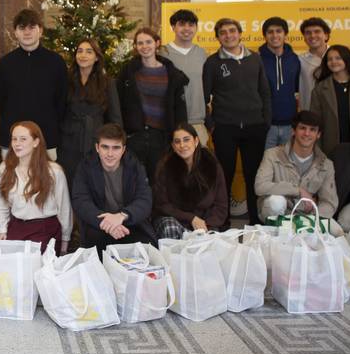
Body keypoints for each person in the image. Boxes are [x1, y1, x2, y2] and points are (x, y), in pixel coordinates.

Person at [203, 17, 271, 226]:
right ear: (218, 37)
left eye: (232, 31)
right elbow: (205, 97)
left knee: (253, 176)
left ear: (240, 33)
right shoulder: (213, 62)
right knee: (224, 176)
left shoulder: (255, 58)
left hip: (254, 127)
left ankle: (254, 221)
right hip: (225, 128)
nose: (228, 35)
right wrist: (211, 124)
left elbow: (264, 91)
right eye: (223, 32)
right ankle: (222, 222)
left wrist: (265, 121)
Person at [72, 122, 157, 252]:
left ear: (123, 149)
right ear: (97, 147)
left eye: (116, 148)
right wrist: (107, 223)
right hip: (99, 224)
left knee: (147, 248)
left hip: (129, 223)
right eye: (105, 147)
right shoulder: (85, 167)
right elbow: (81, 201)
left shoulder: (135, 167)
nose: (110, 154)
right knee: (96, 249)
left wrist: (122, 216)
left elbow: (145, 200)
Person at [0, 8, 67, 160]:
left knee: (47, 182)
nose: (27, 32)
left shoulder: (56, 62)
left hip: (47, 137)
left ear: (40, 31)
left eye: (32, 27)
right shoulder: (5, 64)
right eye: (22, 28)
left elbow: (61, 101)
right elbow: (2, 101)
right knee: (13, 182)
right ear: (15, 32)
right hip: (13, 139)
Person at [117, 27, 188, 179]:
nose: (144, 46)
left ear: (157, 43)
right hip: (135, 137)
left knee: (160, 182)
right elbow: (119, 103)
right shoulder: (128, 72)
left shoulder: (172, 74)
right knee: (133, 181)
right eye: (140, 43)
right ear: (135, 46)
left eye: (148, 42)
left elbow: (179, 108)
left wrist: (180, 135)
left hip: (161, 138)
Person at [0, 121, 72, 253]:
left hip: (45, 229)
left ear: (36, 142)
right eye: (14, 139)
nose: (17, 143)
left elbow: (64, 208)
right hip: (17, 226)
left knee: (36, 267)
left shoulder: (54, 171)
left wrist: (65, 240)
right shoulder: (5, 168)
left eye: (23, 139)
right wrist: (1, 229)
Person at [57, 38, 122, 185]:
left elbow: (115, 118)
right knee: (68, 184)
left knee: (94, 185)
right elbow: (59, 112)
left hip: (95, 142)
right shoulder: (66, 81)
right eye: (79, 51)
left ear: (97, 57)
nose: (83, 55)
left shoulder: (107, 83)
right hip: (68, 143)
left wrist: (115, 145)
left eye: (88, 51)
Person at [254, 110, 337, 222]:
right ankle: (275, 233)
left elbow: (329, 202)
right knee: (275, 202)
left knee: (338, 230)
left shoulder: (326, 165)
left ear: (318, 135)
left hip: (308, 219)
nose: (307, 133)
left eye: (312, 130)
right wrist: (298, 191)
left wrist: (311, 221)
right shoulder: (272, 155)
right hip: (278, 216)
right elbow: (260, 187)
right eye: (302, 128)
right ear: (293, 131)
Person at [152, 123, 228, 240]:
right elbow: (162, 204)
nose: (182, 145)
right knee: (170, 228)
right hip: (173, 219)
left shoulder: (212, 165)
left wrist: (205, 225)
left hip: (205, 222)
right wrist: (191, 218)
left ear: (196, 141)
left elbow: (221, 205)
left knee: (209, 240)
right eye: (177, 141)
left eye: (186, 140)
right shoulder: (165, 167)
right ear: (173, 145)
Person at [163, 8, 210, 146]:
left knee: (200, 164)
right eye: (182, 24)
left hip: (198, 123)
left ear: (196, 28)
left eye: (191, 25)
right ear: (173, 27)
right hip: (172, 122)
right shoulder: (163, 53)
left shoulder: (202, 54)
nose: (187, 29)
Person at [259, 16, 301, 149]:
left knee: (288, 166)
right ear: (265, 36)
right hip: (265, 126)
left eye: (279, 31)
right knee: (265, 166)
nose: (275, 35)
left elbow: (297, 91)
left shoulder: (295, 60)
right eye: (270, 32)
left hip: (290, 125)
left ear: (285, 34)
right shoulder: (256, 60)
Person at [298, 17, 330, 110]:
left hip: (337, 115)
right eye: (308, 33)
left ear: (326, 35)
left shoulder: (341, 56)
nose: (312, 36)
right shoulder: (299, 61)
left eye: (317, 31)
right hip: (309, 114)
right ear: (304, 38)